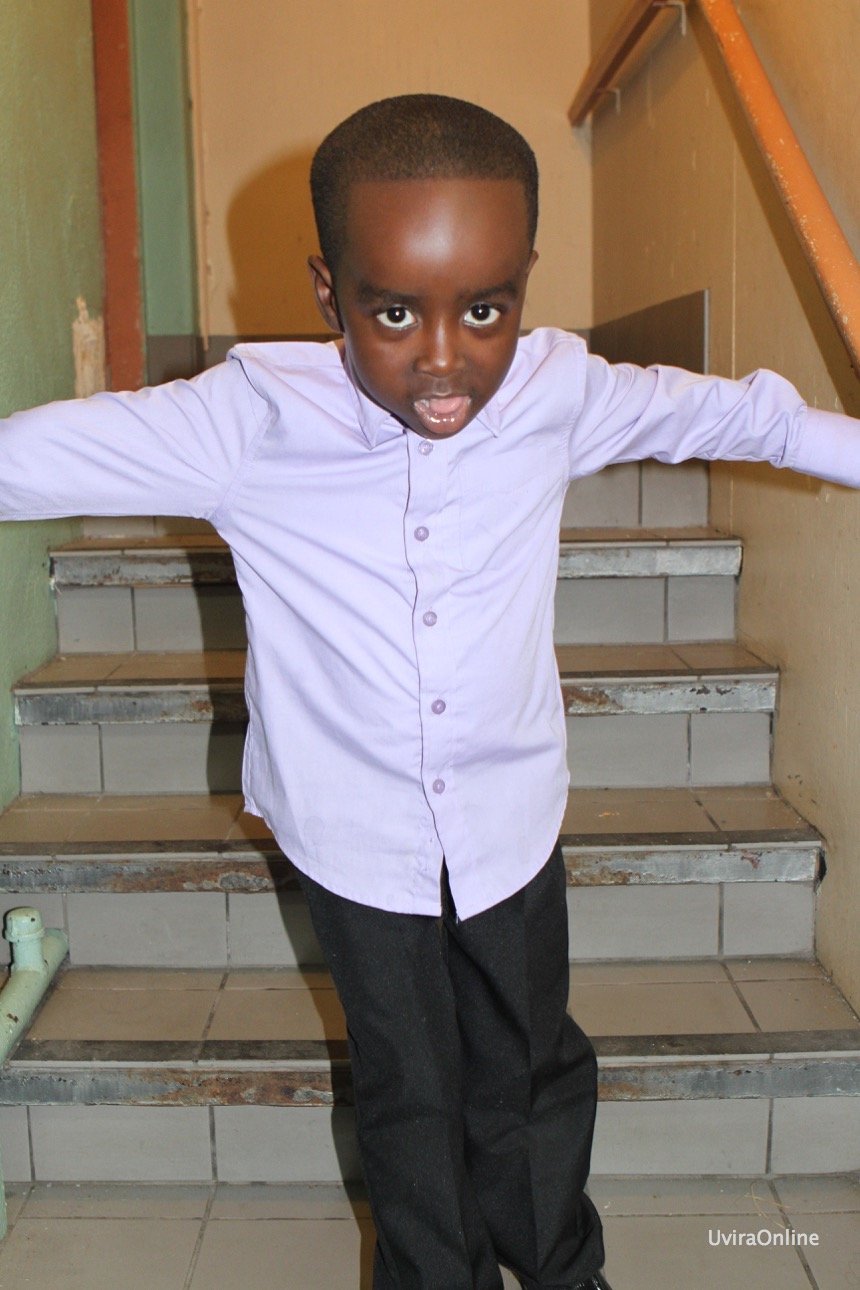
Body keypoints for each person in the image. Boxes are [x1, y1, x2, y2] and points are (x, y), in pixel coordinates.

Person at [2, 93, 860, 1289]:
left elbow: (733, 415)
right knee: (410, 1091)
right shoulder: (246, 422)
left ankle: (558, 1267)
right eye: (394, 312)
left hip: (507, 820)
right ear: (328, 293)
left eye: (486, 309)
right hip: (355, 838)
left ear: (525, 284)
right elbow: (29, 457)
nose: (446, 357)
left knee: (531, 1068)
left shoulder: (555, 390)